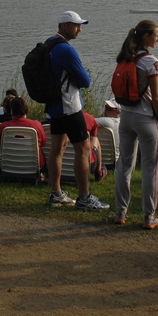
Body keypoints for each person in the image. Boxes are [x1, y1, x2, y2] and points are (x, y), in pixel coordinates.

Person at [43, 11, 107, 212]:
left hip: (54, 106)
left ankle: (56, 193)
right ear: (64, 26)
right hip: (70, 107)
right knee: (84, 149)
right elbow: (86, 81)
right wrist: (76, 78)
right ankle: (84, 197)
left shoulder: (49, 44)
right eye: (76, 25)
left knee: (57, 149)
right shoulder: (67, 51)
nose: (79, 29)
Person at [113, 19, 158, 228]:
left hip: (125, 117)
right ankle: (149, 216)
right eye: (156, 35)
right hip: (145, 119)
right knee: (150, 168)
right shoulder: (151, 62)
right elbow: (156, 96)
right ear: (146, 37)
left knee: (124, 165)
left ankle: (120, 211)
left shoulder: (125, 58)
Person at [0, 95, 46, 169]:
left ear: (12, 111)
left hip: (8, 163)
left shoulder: (4, 127)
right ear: (26, 109)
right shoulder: (37, 125)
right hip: (33, 164)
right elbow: (43, 143)